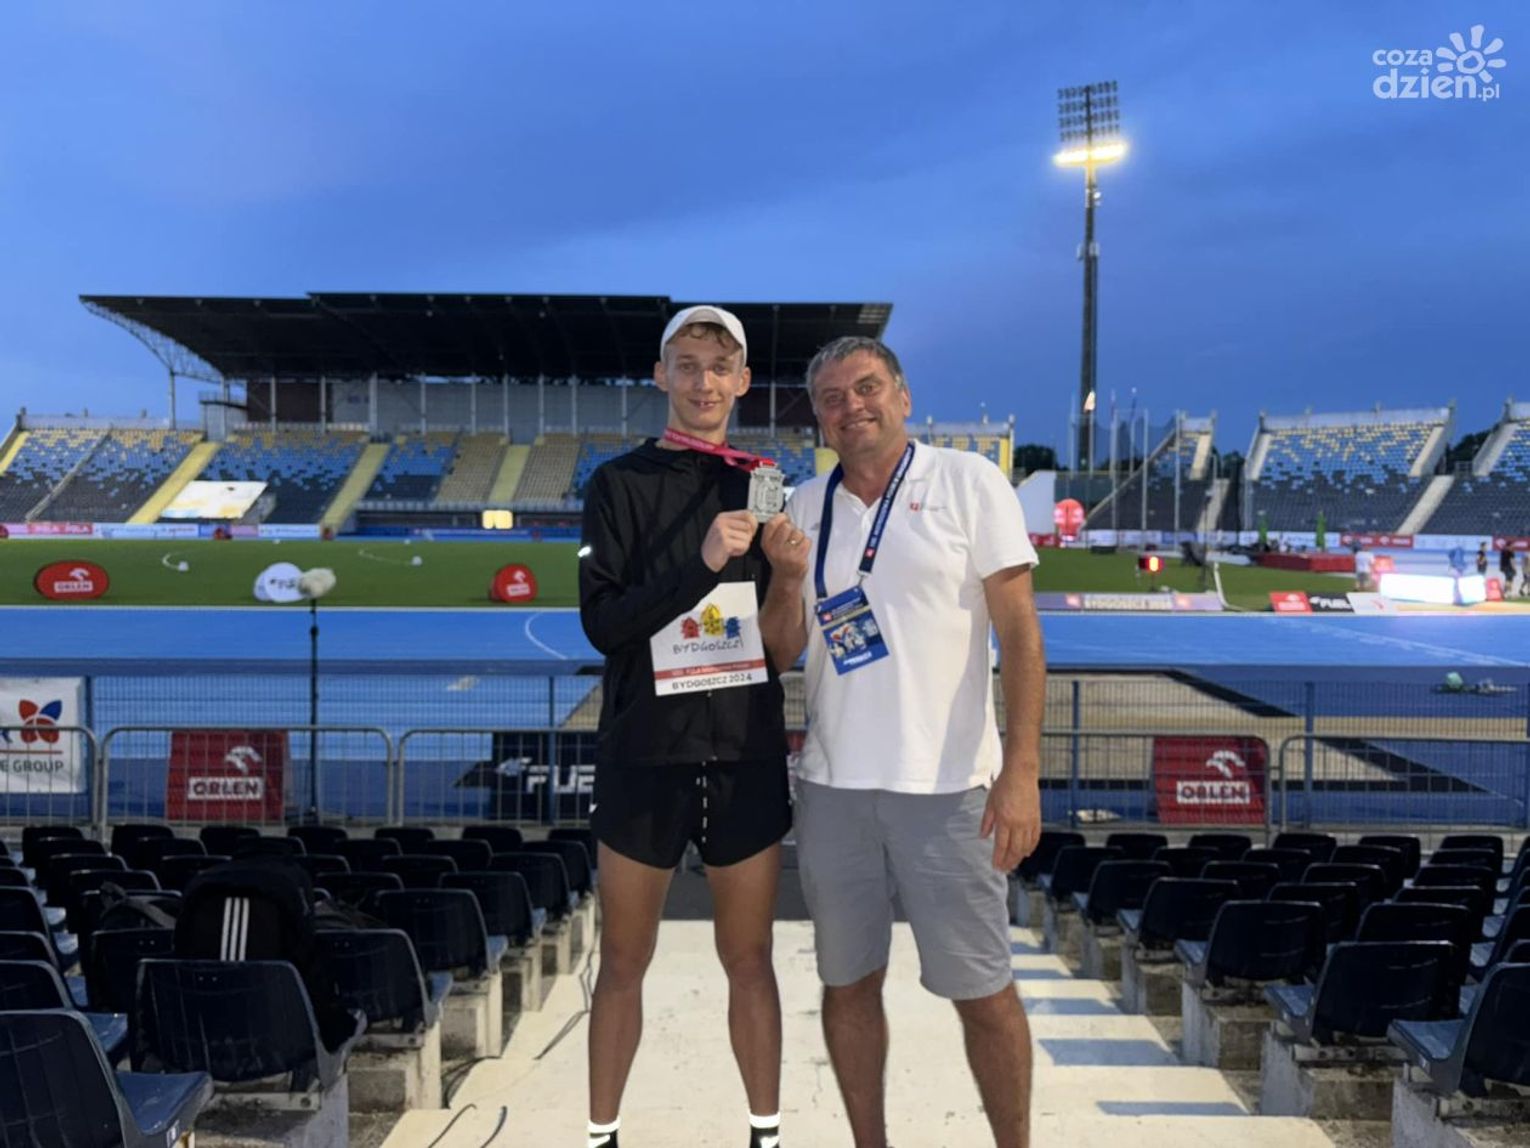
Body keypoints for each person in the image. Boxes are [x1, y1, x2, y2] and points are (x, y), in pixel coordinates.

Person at [758, 336, 1046, 1148]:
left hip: (949, 789)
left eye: (867, 387)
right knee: (848, 984)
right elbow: (779, 650)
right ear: (818, 418)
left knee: (983, 991)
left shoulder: (969, 483)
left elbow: (1021, 635)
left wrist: (1021, 771)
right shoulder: (802, 506)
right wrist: (786, 579)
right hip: (834, 789)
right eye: (832, 398)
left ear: (903, 395)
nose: (852, 407)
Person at [578, 305, 803, 1148]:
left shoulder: (767, 487)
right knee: (623, 962)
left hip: (744, 751)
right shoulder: (616, 485)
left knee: (750, 961)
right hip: (644, 752)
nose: (703, 382)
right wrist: (701, 563)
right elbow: (604, 625)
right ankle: (601, 1135)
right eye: (687, 365)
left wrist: (788, 579)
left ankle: (765, 1135)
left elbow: (779, 650)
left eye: (719, 367)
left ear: (742, 381)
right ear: (660, 376)